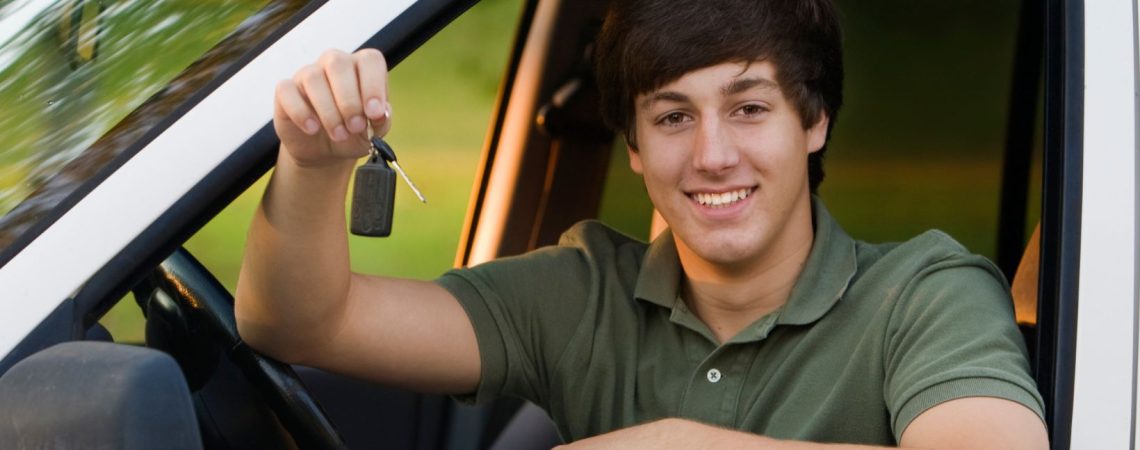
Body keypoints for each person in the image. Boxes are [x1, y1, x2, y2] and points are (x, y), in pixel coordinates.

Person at [235, 0, 1049, 447]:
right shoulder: (583, 291)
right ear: (632, 147)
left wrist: (675, 447)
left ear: (815, 122)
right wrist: (313, 163)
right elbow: (302, 323)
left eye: (750, 108)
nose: (713, 154)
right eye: (672, 118)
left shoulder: (926, 293)